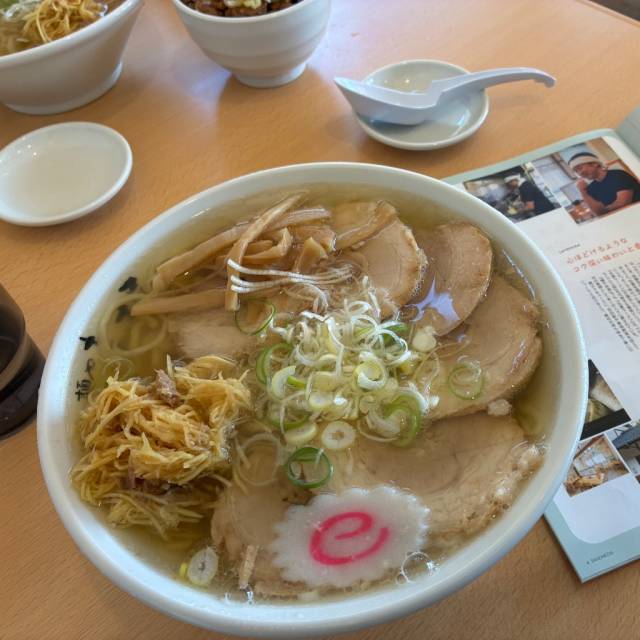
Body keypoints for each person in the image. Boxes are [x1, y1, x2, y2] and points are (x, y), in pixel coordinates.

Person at [569, 152, 640, 216]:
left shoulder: (618, 175)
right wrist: (583, 191)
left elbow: (623, 202)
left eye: (580, 168)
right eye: (576, 171)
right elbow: (598, 213)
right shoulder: (592, 188)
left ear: (594, 164)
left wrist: (605, 210)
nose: (580, 173)